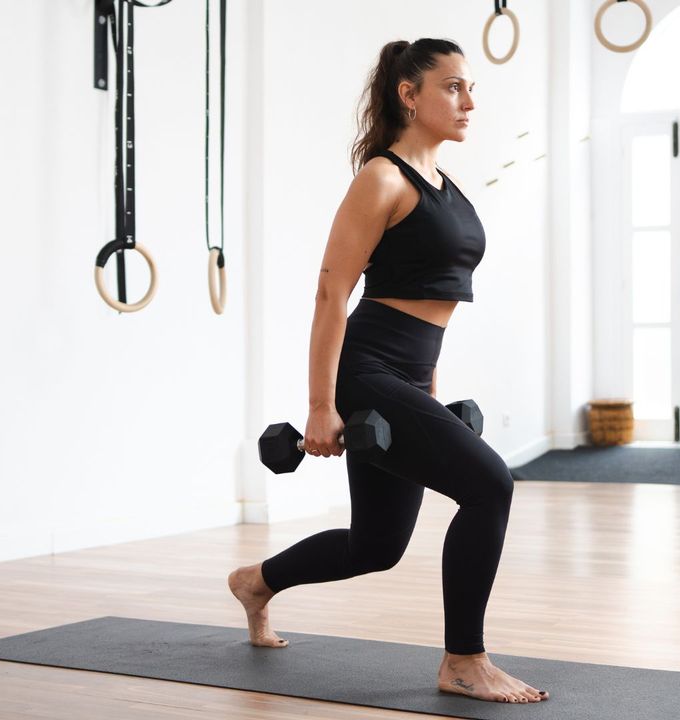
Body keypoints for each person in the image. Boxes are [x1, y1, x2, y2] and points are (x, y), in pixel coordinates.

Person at [228, 38, 548, 704]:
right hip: (367, 370)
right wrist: (321, 405)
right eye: (453, 86)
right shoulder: (382, 178)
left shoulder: (445, 186)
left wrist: (427, 394)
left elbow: (432, 302)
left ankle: (255, 581)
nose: (469, 101)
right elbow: (331, 294)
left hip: (408, 376)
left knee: (376, 545)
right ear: (410, 94)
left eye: (470, 88)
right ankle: (464, 660)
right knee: (491, 485)